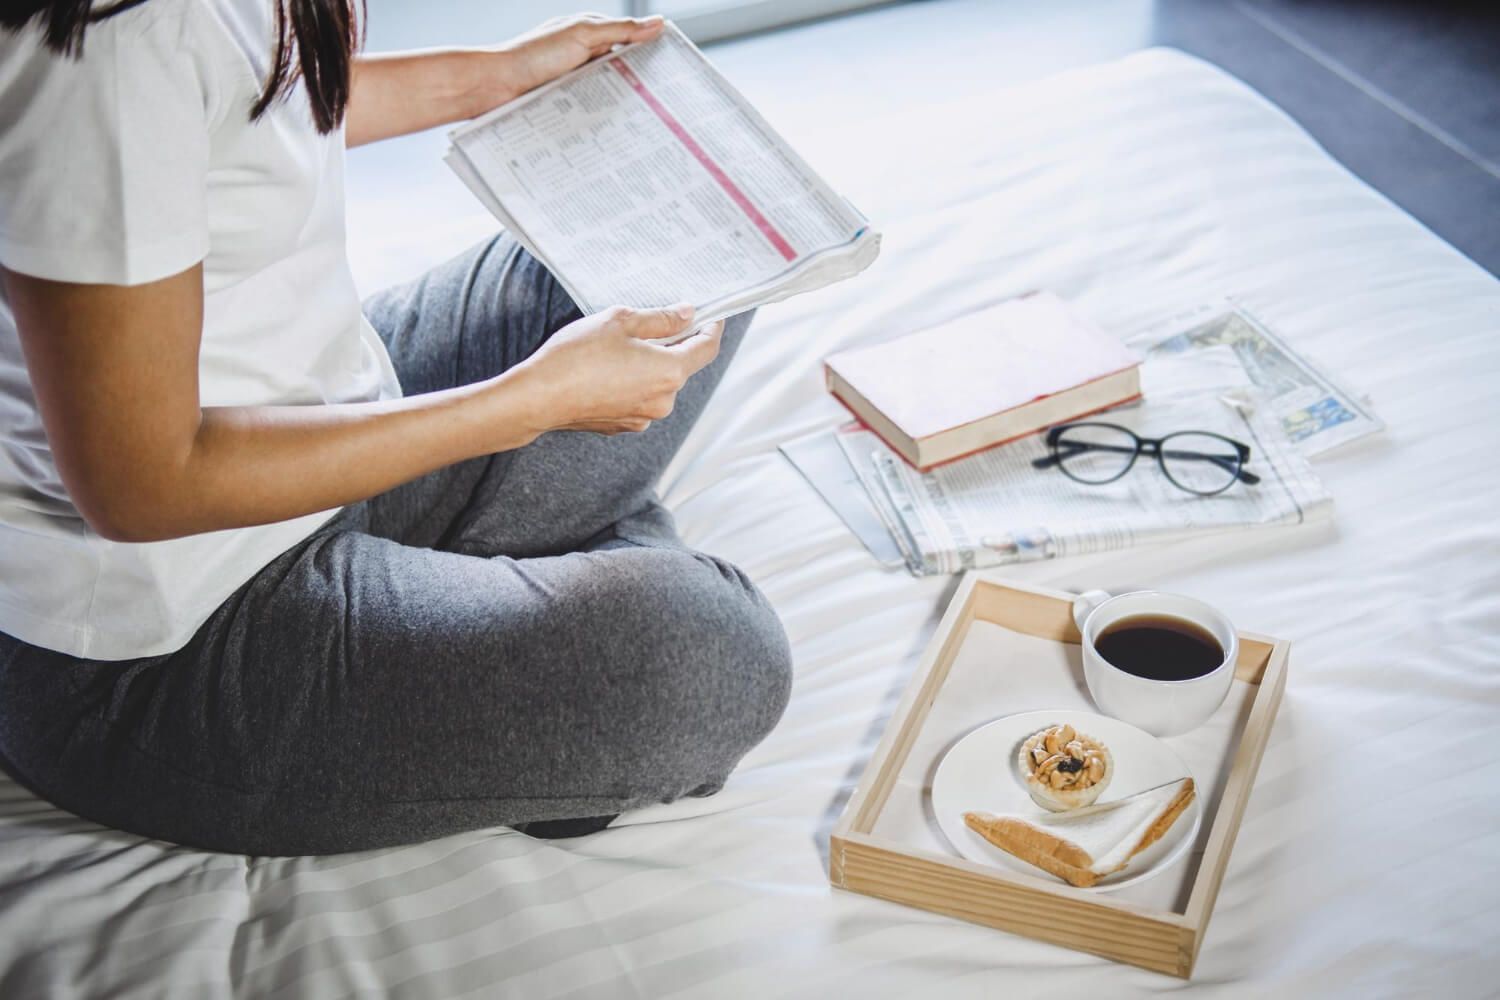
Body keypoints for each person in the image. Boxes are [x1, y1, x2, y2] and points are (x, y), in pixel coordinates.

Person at [0, 1, 792, 854]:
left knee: (700, 232)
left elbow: (254, 109)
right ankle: (546, 618)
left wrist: (497, 76)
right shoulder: (110, 53)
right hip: (170, 638)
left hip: (334, 414)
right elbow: (143, 487)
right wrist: (529, 405)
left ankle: (520, 634)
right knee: (712, 657)